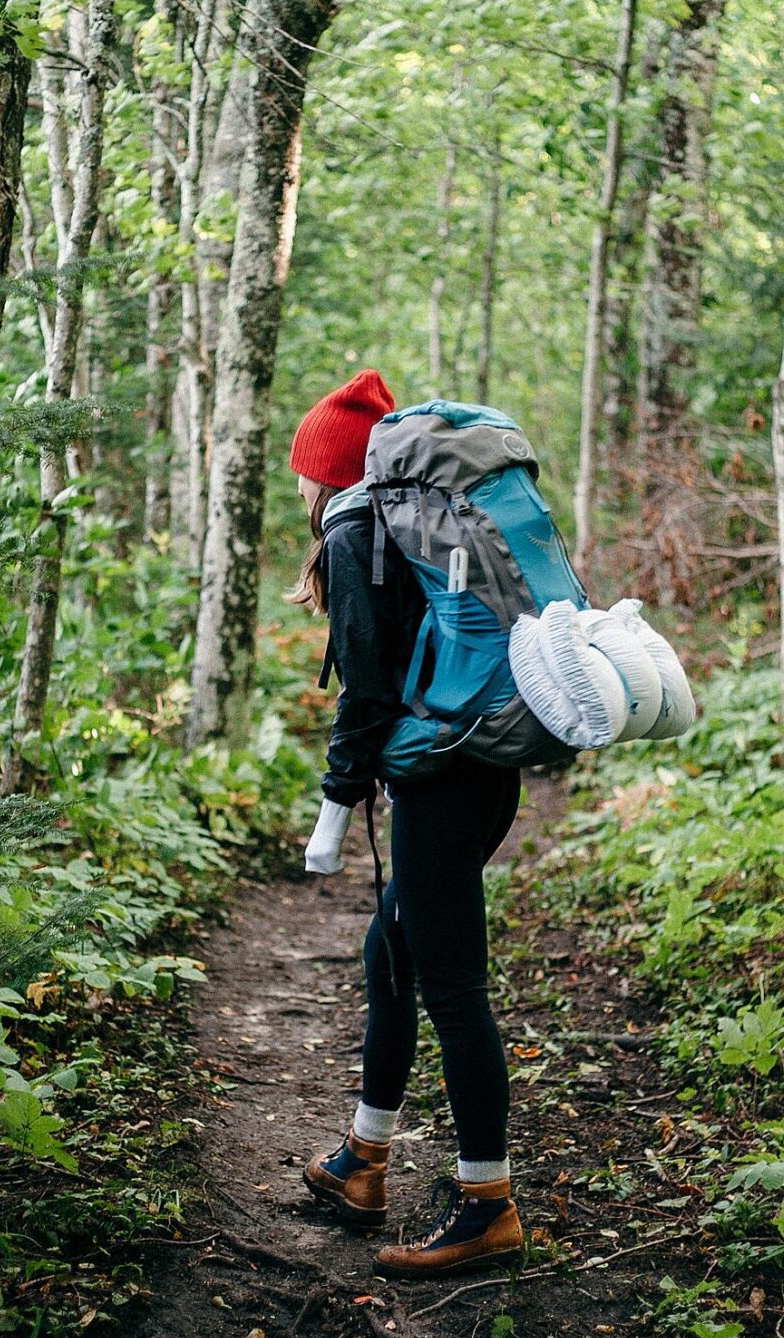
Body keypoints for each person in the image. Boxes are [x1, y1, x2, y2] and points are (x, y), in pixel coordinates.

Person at [288, 368, 529, 1278]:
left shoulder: (357, 529)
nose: (301, 488)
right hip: (481, 769)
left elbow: (368, 687)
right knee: (389, 958)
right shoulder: (406, 524)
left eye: (306, 469)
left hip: (438, 782)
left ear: (335, 469)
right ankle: (364, 1161)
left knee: (453, 989)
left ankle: (485, 1207)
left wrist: (337, 800)